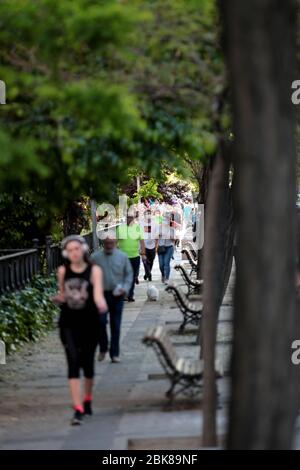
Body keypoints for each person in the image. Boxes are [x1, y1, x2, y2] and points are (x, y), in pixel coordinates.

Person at [52, 235, 107, 426]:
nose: (74, 252)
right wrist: (58, 299)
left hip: (90, 322)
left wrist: (102, 306)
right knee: (73, 361)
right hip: (68, 323)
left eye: (77, 248)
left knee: (88, 364)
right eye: (71, 250)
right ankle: (77, 409)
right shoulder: (62, 271)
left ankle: (88, 399)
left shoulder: (94, 270)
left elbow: (98, 295)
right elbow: (63, 294)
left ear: (83, 250)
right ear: (66, 253)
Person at [91, 236, 133, 363]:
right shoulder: (95, 258)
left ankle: (114, 353)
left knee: (116, 324)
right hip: (101, 295)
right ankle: (103, 347)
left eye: (111, 243)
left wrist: (125, 288)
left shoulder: (122, 257)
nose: (109, 245)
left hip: (117, 295)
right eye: (106, 243)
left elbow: (128, 275)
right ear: (103, 243)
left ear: (115, 243)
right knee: (100, 322)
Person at [116, 214, 146, 301]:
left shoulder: (138, 228)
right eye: (128, 217)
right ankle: (125, 294)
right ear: (126, 218)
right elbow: (115, 242)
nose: (129, 219)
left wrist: (143, 253)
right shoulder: (120, 228)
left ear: (134, 218)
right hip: (123, 257)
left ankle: (130, 294)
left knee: (132, 277)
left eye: (131, 217)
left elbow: (142, 241)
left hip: (135, 256)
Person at [142, 209, 158, 281]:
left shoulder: (155, 223)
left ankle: (147, 273)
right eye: (146, 214)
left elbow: (157, 236)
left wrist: (156, 247)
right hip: (144, 246)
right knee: (145, 261)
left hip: (152, 246)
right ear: (144, 216)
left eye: (149, 214)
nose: (148, 216)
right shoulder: (141, 223)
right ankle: (149, 274)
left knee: (151, 261)